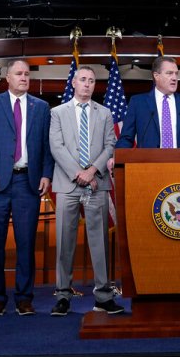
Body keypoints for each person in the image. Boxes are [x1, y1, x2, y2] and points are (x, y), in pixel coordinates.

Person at [0, 59, 54, 316]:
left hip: (28, 183)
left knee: (26, 242)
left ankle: (24, 298)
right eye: (18, 74)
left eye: (27, 74)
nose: (24, 77)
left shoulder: (41, 107)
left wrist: (46, 174)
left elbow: (46, 145)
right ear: (7, 77)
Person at [49, 66, 123, 316]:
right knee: (64, 241)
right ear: (73, 82)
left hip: (97, 183)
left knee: (99, 242)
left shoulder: (104, 113)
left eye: (92, 81)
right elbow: (56, 147)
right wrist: (78, 174)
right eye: (83, 80)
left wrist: (91, 171)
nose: (87, 84)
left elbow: (110, 145)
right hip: (67, 184)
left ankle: (103, 296)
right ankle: (62, 295)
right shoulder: (57, 112)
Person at [115, 56, 180, 149]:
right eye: (169, 73)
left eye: (176, 73)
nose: (174, 78)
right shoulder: (138, 103)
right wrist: (117, 157)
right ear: (156, 76)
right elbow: (126, 139)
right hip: (148, 162)